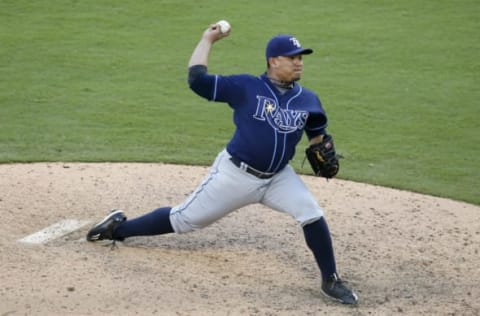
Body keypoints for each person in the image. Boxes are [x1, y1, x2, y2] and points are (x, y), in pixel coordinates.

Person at [86, 22, 359, 305]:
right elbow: (197, 80)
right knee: (185, 219)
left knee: (311, 212)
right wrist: (208, 40)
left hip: (279, 177)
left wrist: (321, 149)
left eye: (300, 57)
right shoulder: (246, 87)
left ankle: (331, 280)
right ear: (273, 60)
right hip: (236, 175)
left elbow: (317, 135)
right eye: (293, 57)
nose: (299, 63)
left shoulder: (308, 99)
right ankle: (117, 228)